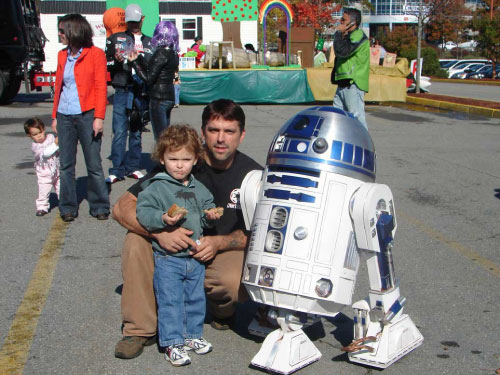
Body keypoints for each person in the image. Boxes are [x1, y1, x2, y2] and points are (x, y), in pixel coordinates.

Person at [112, 99, 262, 360]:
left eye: (229, 131)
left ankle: (222, 312)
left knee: (232, 282)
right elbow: (122, 207)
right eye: (214, 130)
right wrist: (158, 232)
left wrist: (220, 242)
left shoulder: (254, 175)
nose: (220, 139)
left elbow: (265, 230)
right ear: (203, 132)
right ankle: (140, 328)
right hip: (171, 249)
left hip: (217, 250)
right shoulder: (183, 161)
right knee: (135, 241)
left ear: (242, 135)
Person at [136, 125, 222, 366]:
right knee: (170, 300)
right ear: (162, 159)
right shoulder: (157, 187)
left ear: (195, 160)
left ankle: (192, 335)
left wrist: (211, 215)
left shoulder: (198, 188)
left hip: (194, 257)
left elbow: (206, 210)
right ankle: (172, 342)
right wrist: (163, 219)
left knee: (195, 299)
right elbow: (144, 212)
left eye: (186, 159)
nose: (179, 165)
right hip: (168, 258)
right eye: (173, 159)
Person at [51, 14, 109, 222]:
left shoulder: (95, 55)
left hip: (87, 115)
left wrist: (99, 117)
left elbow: (101, 87)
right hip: (64, 115)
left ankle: (100, 205)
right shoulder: (61, 55)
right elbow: (59, 87)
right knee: (66, 165)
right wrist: (55, 116)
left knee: (93, 164)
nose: (59, 34)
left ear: (74, 31)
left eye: (62, 30)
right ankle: (67, 206)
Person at [105, 4, 153, 184]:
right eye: (130, 21)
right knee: (119, 130)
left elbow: (152, 66)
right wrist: (116, 61)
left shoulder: (150, 41)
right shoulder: (115, 38)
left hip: (140, 91)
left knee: (136, 130)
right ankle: (116, 169)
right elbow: (106, 62)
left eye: (136, 21)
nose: (133, 24)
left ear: (142, 19)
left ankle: (133, 166)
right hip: (122, 89)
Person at [128, 21, 179, 140]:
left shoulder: (161, 53)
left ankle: (163, 159)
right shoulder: (173, 53)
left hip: (158, 98)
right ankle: (167, 157)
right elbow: (155, 69)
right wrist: (139, 58)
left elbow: (148, 78)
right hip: (169, 96)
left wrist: (135, 63)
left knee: (161, 139)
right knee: (165, 136)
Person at [330, 8, 370, 129]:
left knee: (356, 118)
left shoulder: (358, 36)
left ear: (353, 23)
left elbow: (342, 52)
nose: (340, 22)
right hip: (342, 83)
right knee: (336, 117)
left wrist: (338, 34)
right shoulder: (347, 36)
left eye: (344, 20)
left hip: (353, 83)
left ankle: (366, 146)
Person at [24, 117, 60, 217]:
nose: (39, 136)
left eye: (40, 132)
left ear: (43, 129)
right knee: (43, 191)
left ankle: (64, 203)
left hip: (56, 169)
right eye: (35, 134)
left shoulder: (51, 137)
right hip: (44, 173)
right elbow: (46, 154)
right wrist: (56, 144)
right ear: (29, 136)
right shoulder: (36, 146)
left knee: (61, 188)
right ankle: (42, 207)